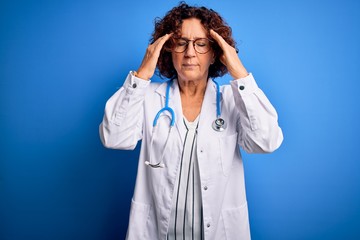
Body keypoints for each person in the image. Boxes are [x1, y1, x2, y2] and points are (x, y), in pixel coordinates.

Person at [99, 2, 283, 240]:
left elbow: (266, 141)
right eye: (180, 42)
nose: (189, 53)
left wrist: (240, 73)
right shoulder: (147, 98)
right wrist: (142, 73)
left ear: (216, 52)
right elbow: (114, 137)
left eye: (201, 44)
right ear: (167, 49)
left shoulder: (232, 99)